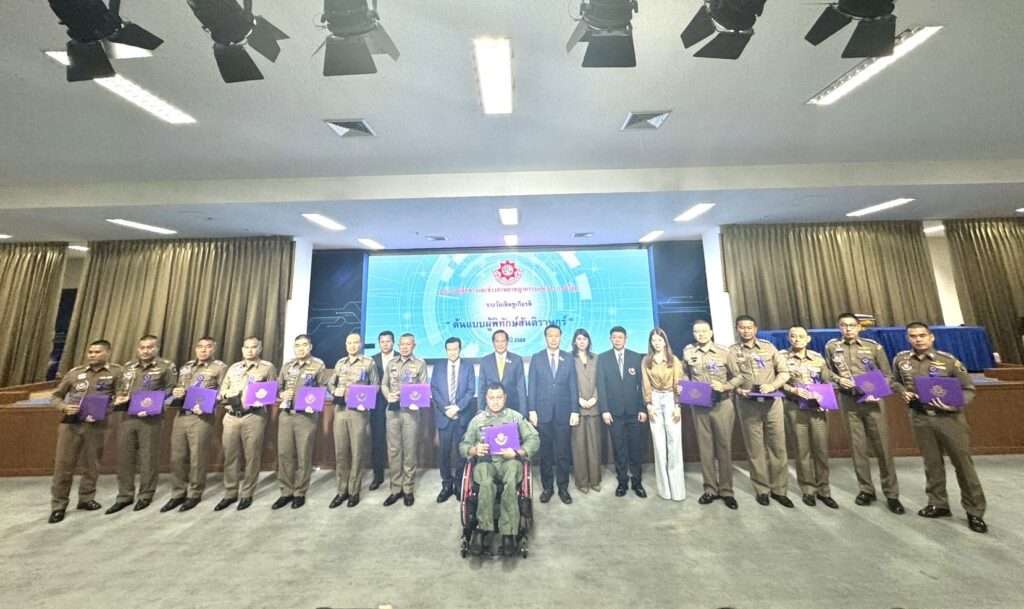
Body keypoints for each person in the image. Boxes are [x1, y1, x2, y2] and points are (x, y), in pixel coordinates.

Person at [892, 322, 988, 533]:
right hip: (920, 418)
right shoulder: (901, 360)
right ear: (908, 338)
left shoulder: (948, 361)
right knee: (932, 463)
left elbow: (969, 389)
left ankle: (974, 511)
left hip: (949, 419)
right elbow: (894, 380)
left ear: (931, 337)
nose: (918, 339)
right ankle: (938, 503)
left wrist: (955, 404)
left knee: (963, 465)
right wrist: (902, 391)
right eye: (913, 336)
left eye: (922, 335)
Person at [824, 313, 905, 514]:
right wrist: (838, 380)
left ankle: (892, 494)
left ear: (859, 327)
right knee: (857, 447)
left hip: (872, 400)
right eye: (844, 325)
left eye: (852, 325)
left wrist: (877, 391)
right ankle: (866, 489)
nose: (848, 329)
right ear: (839, 327)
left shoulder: (873, 346)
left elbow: (887, 374)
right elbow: (827, 371)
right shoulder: (832, 347)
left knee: (882, 447)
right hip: (848, 400)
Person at [460, 382, 540, 556]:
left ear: (505, 398)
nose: (495, 401)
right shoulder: (477, 420)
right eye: (491, 398)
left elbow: (534, 439)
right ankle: (482, 529)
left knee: (511, 478)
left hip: (509, 461)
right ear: (486, 399)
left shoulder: (515, 417)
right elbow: (463, 445)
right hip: (485, 462)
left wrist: (517, 452)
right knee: (486, 482)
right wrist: (474, 450)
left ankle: (508, 533)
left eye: (499, 397)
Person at [48, 340, 123, 524]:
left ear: (107, 353)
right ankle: (58, 505)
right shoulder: (75, 373)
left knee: (92, 464)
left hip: (97, 424)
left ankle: (86, 498)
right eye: (90, 352)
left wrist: (107, 408)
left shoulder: (116, 372)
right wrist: (64, 407)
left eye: (97, 352)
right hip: (71, 424)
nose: (92, 355)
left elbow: (121, 396)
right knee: (63, 466)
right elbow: (56, 396)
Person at [106, 334, 177, 514]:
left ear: (157, 348)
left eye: (150, 347)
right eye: (142, 348)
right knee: (125, 457)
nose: (146, 351)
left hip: (150, 417)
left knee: (148, 457)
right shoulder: (128, 367)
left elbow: (171, 388)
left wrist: (154, 401)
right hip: (127, 416)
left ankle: (146, 494)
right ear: (138, 349)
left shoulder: (166, 366)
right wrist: (118, 397)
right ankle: (124, 495)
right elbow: (120, 388)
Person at [727, 316, 793, 508]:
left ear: (755, 329)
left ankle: (779, 490)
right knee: (754, 448)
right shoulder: (732, 351)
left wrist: (773, 386)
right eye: (742, 327)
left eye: (749, 327)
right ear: (737, 329)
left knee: (778, 447)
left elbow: (784, 372)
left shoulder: (769, 347)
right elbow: (730, 377)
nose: (746, 331)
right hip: (747, 404)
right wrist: (738, 390)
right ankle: (762, 490)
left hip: (772, 403)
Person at [160, 336, 227, 513]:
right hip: (181, 414)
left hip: (201, 416)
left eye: (208, 347)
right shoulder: (186, 367)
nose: (203, 350)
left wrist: (207, 403)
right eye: (200, 347)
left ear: (213, 349)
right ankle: (178, 493)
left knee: (198, 457)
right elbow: (178, 388)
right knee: (177, 456)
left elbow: (223, 392)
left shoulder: (219, 367)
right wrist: (176, 392)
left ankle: (194, 493)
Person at [214, 336, 277, 512]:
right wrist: (227, 395)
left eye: (254, 347)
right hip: (231, 417)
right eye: (247, 347)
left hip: (253, 417)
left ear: (260, 348)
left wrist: (259, 399)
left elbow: (273, 391)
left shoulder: (267, 367)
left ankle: (247, 493)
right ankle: (230, 492)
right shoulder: (234, 368)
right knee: (230, 456)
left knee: (252, 456)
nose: (250, 350)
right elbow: (222, 390)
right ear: (242, 349)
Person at [780, 326, 838, 508]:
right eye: (793, 336)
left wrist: (825, 398)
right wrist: (793, 390)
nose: (797, 339)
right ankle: (808, 490)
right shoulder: (782, 357)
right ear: (788, 338)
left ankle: (824, 490)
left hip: (817, 408)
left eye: (800, 336)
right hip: (794, 407)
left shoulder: (818, 358)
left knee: (821, 450)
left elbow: (827, 381)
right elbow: (779, 382)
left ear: (808, 339)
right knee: (801, 450)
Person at [682, 320, 737, 509]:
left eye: (704, 331)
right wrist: (688, 385)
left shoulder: (724, 351)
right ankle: (710, 489)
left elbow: (738, 376)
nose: (701, 334)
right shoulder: (688, 351)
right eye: (696, 331)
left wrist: (725, 386)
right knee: (705, 448)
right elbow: (684, 373)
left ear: (711, 332)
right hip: (700, 405)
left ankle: (727, 490)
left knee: (724, 446)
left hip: (722, 404)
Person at [272, 334, 328, 510]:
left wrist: (312, 400)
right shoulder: (287, 365)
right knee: (284, 454)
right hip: (286, 415)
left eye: (304, 345)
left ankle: (299, 492)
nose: (301, 348)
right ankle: (286, 491)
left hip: (306, 417)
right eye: (297, 345)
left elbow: (324, 389)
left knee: (304, 455)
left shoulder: (318, 365)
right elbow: (277, 388)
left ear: (310, 347)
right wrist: (282, 394)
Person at [527, 324, 580, 504]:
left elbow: (573, 385)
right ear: (545, 338)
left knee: (563, 453)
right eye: (550, 336)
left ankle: (563, 488)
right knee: (546, 453)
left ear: (561, 337)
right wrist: (532, 410)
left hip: (564, 413)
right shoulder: (537, 358)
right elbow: (532, 385)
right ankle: (547, 488)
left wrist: (575, 410)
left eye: (556, 336)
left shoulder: (568, 358)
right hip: (543, 413)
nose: (553, 339)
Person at [327, 331, 380, 509]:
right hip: (340, 411)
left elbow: (375, 386)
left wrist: (364, 397)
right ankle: (341, 490)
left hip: (359, 412)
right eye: (349, 343)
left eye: (356, 342)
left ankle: (354, 491)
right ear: (345, 345)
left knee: (357, 452)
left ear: (361, 344)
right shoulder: (340, 363)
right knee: (340, 452)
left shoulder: (369, 362)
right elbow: (331, 383)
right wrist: (334, 391)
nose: (352, 346)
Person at [597, 326, 647, 498]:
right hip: (614, 413)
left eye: (620, 337)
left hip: (634, 412)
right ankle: (622, 482)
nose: (617, 340)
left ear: (626, 339)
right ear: (610, 339)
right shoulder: (603, 358)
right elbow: (601, 386)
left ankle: (637, 482)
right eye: (614, 337)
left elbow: (642, 385)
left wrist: (642, 408)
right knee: (619, 450)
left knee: (635, 449)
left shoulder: (636, 357)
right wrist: (604, 410)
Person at [381, 333, 429, 507]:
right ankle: (396, 489)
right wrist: (388, 395)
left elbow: (424, 387)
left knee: (409, 451)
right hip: (392, 412)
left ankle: (408, 489)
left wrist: (416, 400)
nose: (404, 347)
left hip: (411, 413)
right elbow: (383, 384)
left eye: (408, 344)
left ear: (413, 346)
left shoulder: (420, 363)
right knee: (394, 451)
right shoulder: (391, 363)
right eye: (402, 344)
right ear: (398, 346)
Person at [641, 328, 685, 502]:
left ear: (665, 341)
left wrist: (678, 405)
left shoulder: (674, 360)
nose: (657, 343)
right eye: (654, 340)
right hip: (654, 400)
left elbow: (678, 383)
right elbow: (645, 384)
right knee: (659, 445)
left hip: (671, 399)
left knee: (674, 443)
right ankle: (664, 490)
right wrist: (649, 404)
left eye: (659, 340)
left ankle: (677, 490)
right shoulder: (646, 360)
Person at [431, 337, 477, 503]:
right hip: (444, 417)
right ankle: (446, 484)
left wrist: (457, 408)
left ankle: (458, 484)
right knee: (444, 453)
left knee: (460, 452)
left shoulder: (468, 366)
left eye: (455, 349)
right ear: (446, 350)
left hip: (461, 416)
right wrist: (446, 409)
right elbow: (434, 390)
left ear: (460, 349)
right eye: (449, 349)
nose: (452, 352)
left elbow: (471, 390)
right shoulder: (438, 366)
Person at [570, 328, 602, 494]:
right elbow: (568, 383)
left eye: (584, 339)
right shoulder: (569, 358)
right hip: (578, 408)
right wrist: (578, 399)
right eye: (579, 339)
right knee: (579, 447)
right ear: (575, 341)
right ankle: (582, 482)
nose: (582, 341)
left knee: (594, 445)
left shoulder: (596, 358)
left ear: (589, 341)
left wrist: (595, 397)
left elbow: (600, 380)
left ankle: (595, 480)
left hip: (594, 406)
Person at [368, 331, 396, 490]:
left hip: (397, 404)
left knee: (395, 443)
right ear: (379, 343)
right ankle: (377, 477)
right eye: (382, 342)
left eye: (388, 341)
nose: (385, 344)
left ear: (393, 342)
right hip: (377, 405)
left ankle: (396, 477)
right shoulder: (372, 360)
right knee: (377, 441)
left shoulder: (400, 357)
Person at [478, 330, 528, 415]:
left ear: (507, 342)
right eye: (497, 341)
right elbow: (481, 388)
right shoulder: (485, 361)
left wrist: (523, 412)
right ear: (493, 343)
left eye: (503, 341)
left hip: (512, 408)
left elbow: (521, 388)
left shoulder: (516, 360)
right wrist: (480, 410)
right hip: (492, 409)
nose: (500, 344)